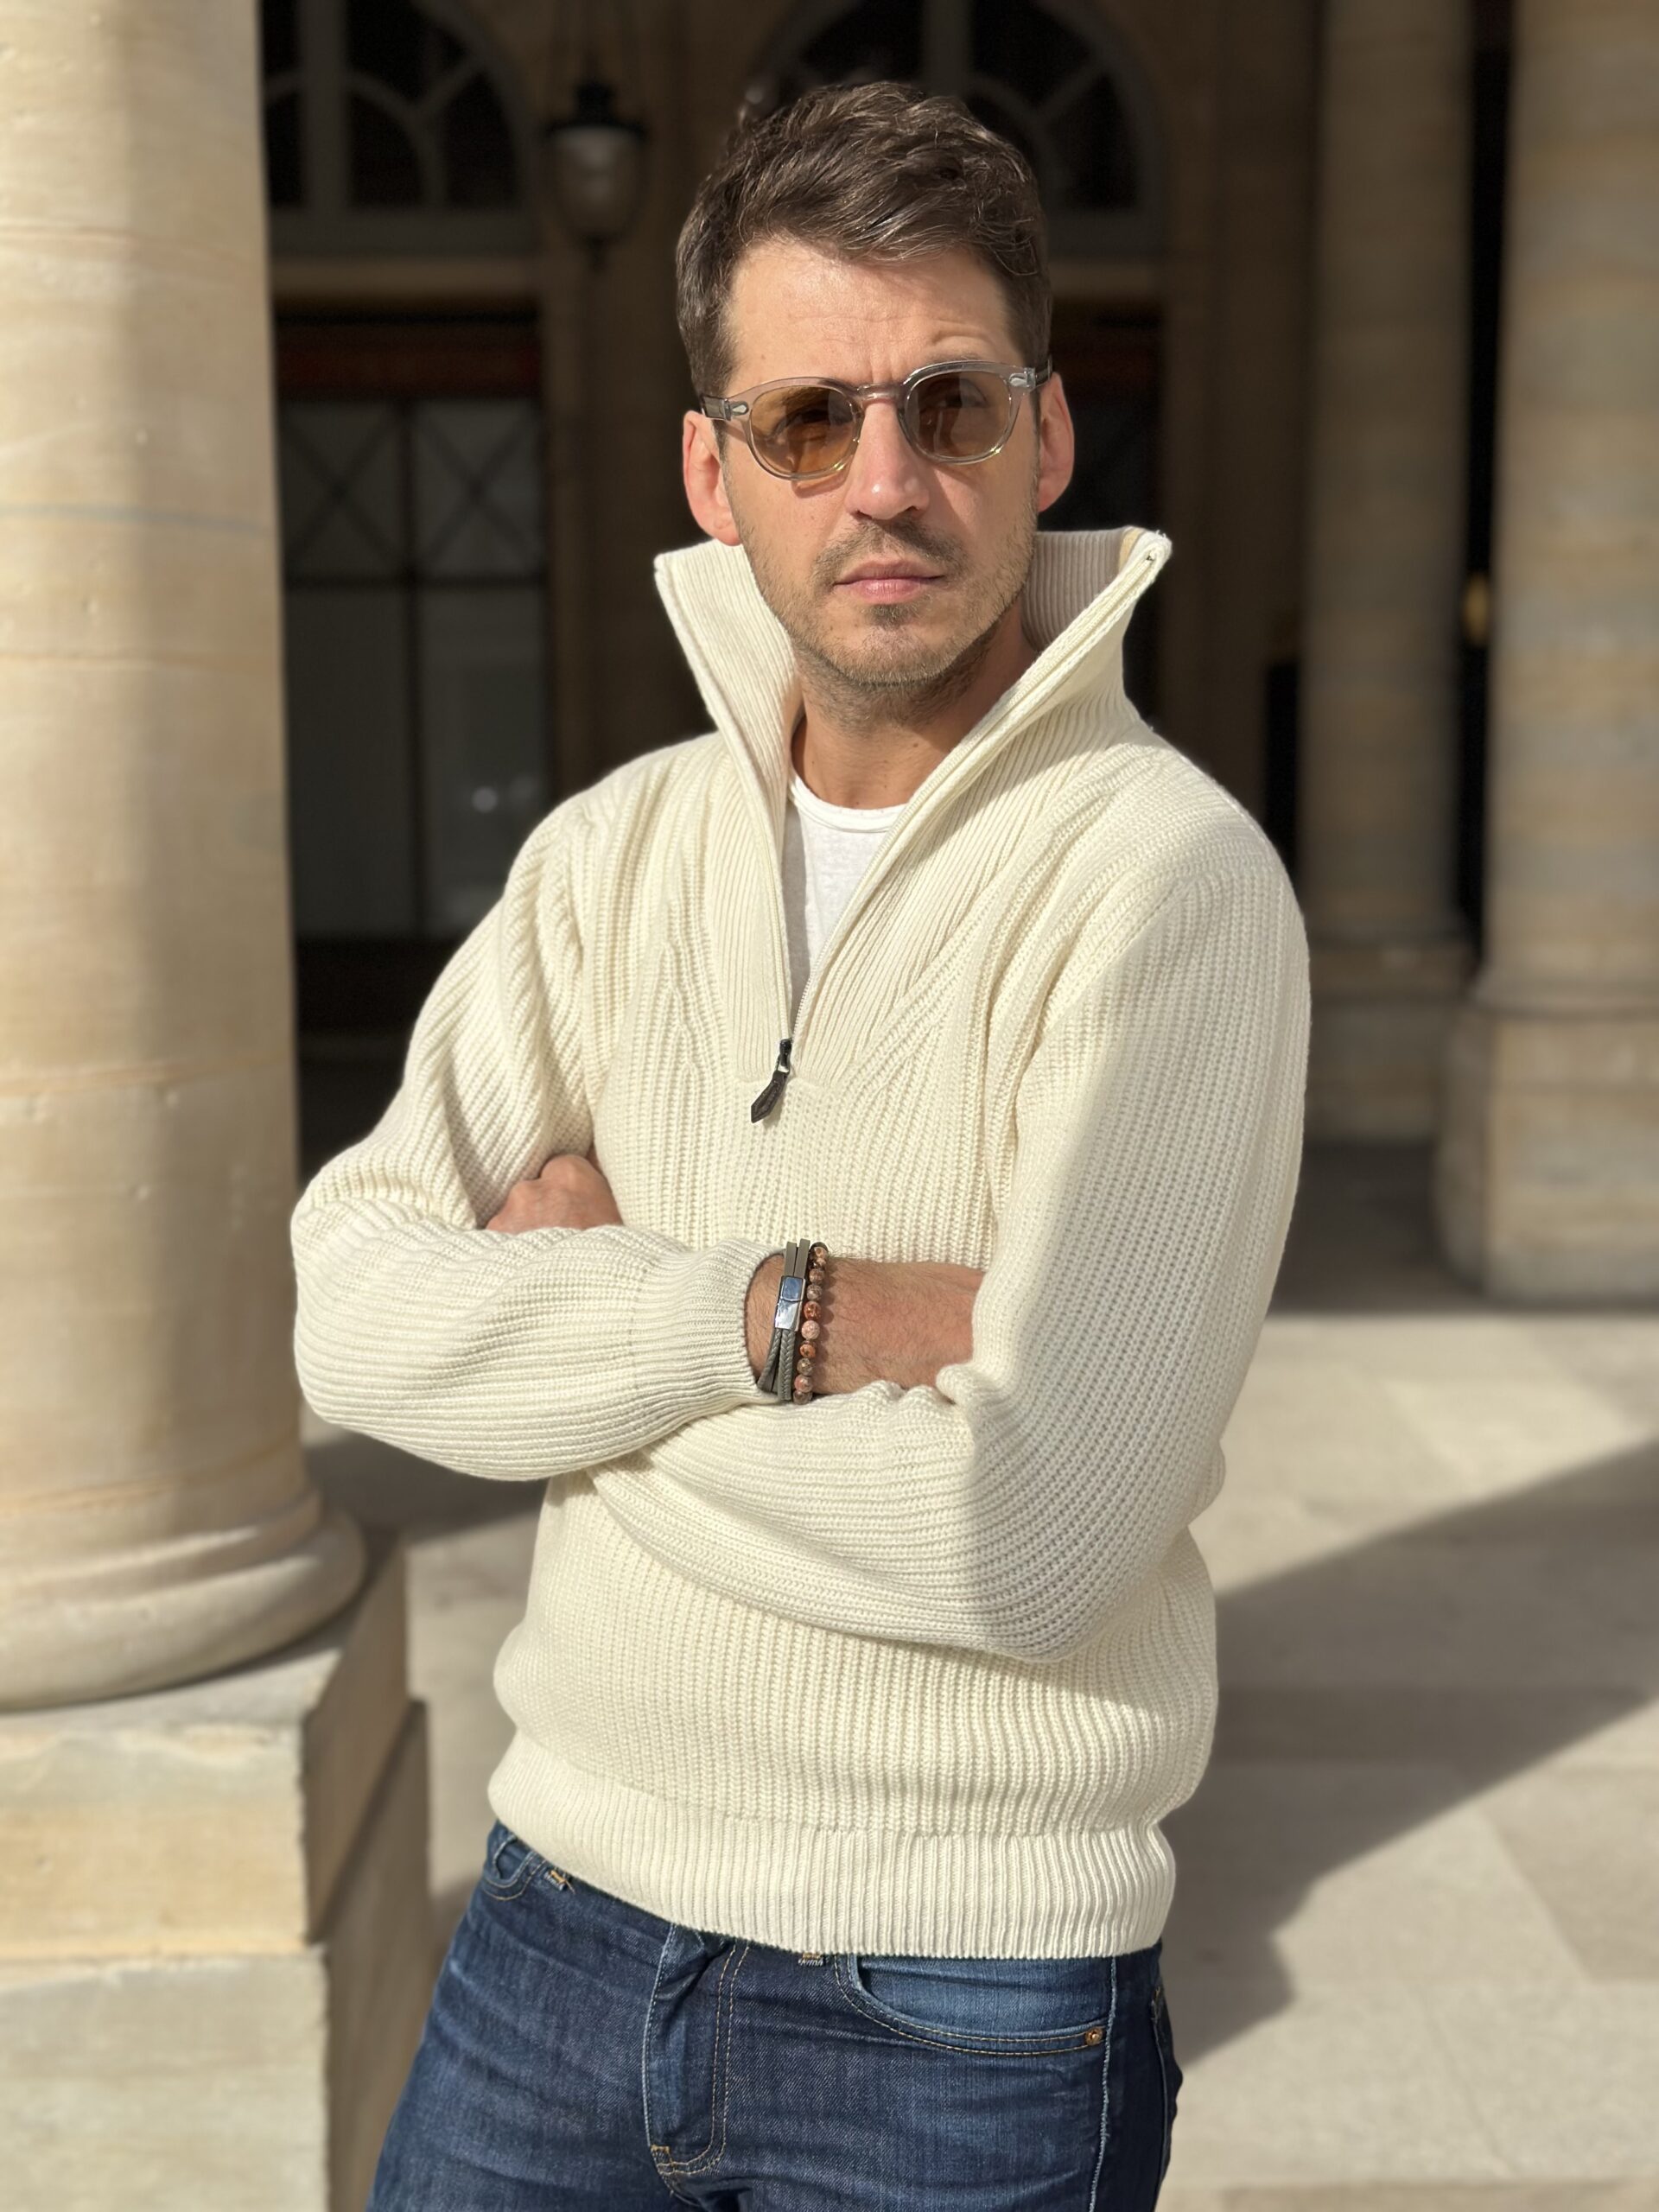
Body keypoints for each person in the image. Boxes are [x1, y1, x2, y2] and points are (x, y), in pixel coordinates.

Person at [294, 79, 1309, 2212]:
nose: (886, 480)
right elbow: (348, 1313)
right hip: (557, 1915)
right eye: (809, 419)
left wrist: (573, 1376)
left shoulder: (1170, 886)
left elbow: (1027, 1534)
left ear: (1047, 434)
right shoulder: (609, 858)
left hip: (964, 2002)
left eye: (950, 405)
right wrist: (774, 1314)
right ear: (712, 470)